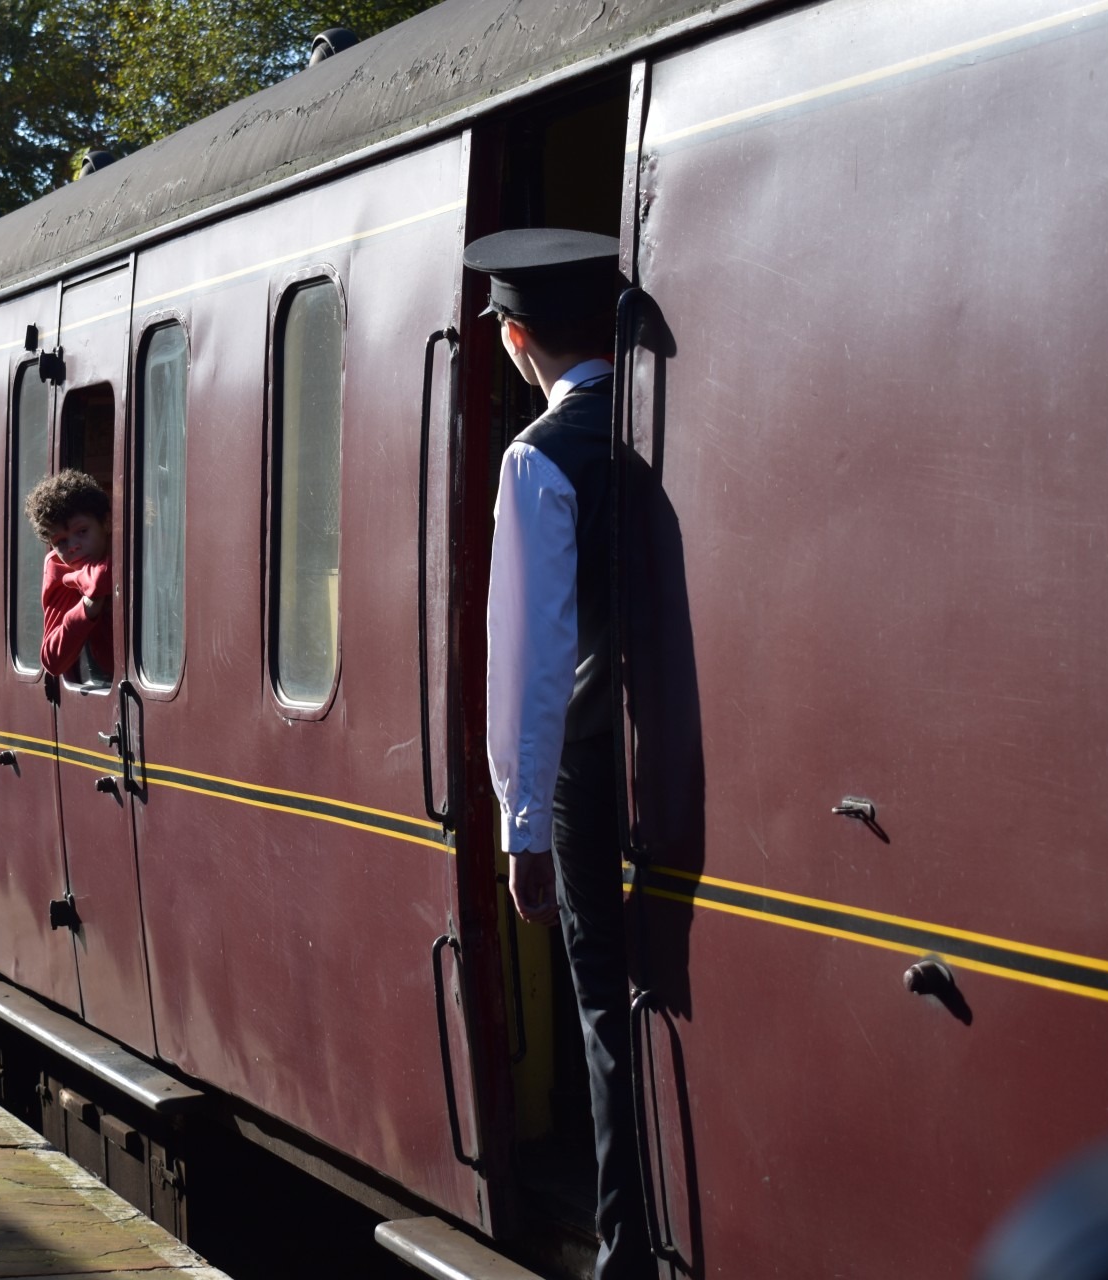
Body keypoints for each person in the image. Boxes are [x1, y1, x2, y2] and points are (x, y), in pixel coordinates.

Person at [465, 227, 651, 1279]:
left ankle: (624, 1251)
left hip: (588, 774)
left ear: (516, 336)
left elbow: (530, 655)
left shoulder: (538, 454)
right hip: (680, 763)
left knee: (605, 1014)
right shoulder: (660, 421)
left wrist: (521, 824)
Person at [22, 468, 113, 680]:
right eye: (60, 541)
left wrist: (79, 579)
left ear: (106, 523)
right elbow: (53, 660)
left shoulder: (126, 540)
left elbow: (103, 578)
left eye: (82, 532)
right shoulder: (56, 565)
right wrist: (86, 608)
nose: (72, 546)